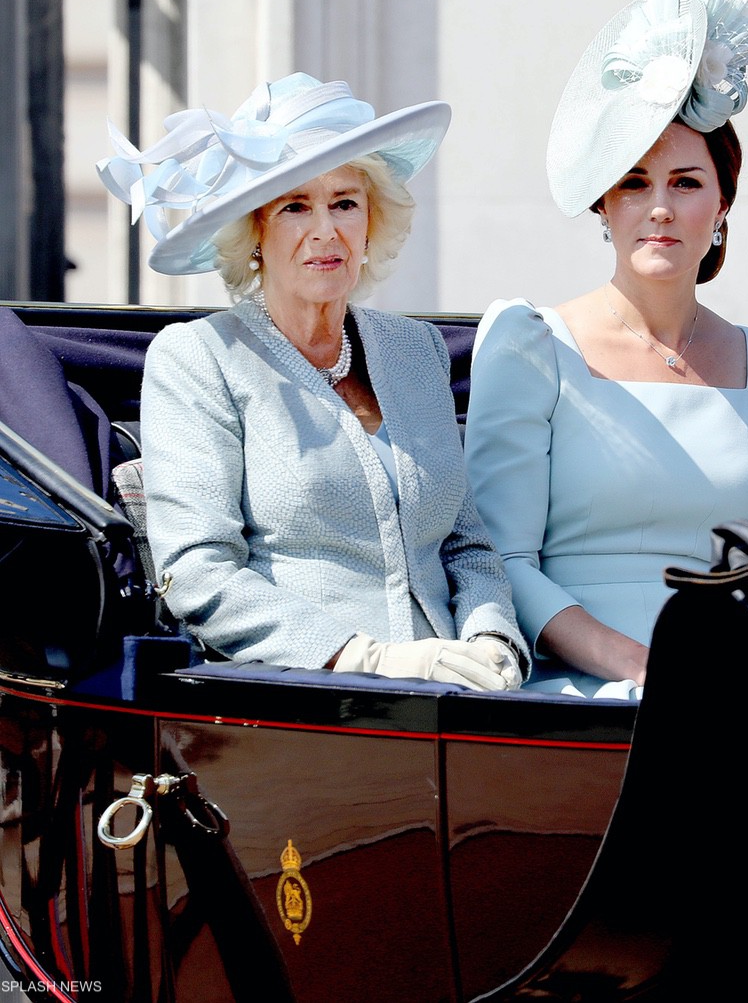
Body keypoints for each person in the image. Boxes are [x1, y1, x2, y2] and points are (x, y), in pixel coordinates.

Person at [96, 71, 528, 691]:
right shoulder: (199, 357)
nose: (326, 230)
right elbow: (197, 570)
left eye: (345, 202)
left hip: (457, 696)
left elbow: (465, 545)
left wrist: (491, 639)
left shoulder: (417, 349)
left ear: (371, 220)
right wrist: (365, 659)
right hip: (300, 701)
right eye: (295, 205)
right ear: (255, 232)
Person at [464, 0, 748, 697]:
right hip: (576, 695)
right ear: (605, 208)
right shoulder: (531, 345)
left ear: (721, 203)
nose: (659, 208)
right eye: (633, 183)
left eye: (685, 182)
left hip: (733, 688)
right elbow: (500, 560)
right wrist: (637, 666)